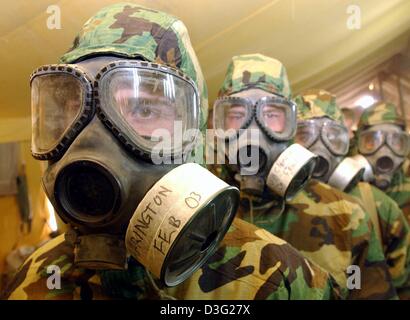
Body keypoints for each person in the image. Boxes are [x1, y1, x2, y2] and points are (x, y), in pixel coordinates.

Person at [2, 3, 338, 300]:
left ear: (191, 135)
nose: (92, 139)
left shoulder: (279, 280)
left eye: (145, 110)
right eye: (73, 108)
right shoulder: (32, 280)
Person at [211, 53, 397, 299]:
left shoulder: (345, 217)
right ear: (218, 124)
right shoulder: (196, 209)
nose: (253, 129)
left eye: (271, 115)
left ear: (292, 125)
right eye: (236, 115)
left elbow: (364, 291)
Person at [294, 89, 410, 292]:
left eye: (332, 136)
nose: (384, 152)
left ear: (347, 143)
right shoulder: (263, 207)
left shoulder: (369, 206)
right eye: (305, 135)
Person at [352, 101, 410, 298]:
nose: (385, 152)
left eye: (396, 142)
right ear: (357, 144)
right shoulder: (348, 196)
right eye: (372, 141)